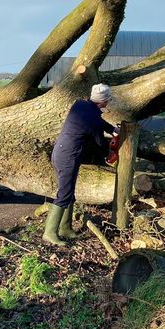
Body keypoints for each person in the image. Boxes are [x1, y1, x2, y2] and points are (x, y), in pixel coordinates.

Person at [44, 83, 116, 245]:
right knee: (64, 194)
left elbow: (97, 121)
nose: (109, 103)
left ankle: (65, 228)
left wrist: (112, 129)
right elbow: (100, 143)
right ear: (103, 101)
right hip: (68, 157)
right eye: (108, 100)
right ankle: (49, 232)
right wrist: (109, 154)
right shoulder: (92, 119)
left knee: (68, 193)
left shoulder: (81, 105)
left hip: (60, 153)